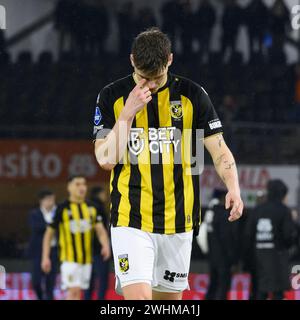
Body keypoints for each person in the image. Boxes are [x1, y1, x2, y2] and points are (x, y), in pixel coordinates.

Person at [93, 27, 243, 300]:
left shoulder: (192, 95)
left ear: (170, 60)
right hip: (131, 219)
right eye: (143, 77)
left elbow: (219, 150)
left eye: (157, 77)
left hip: (179, 221)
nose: (149, 84)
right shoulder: (112, 96)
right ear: (131, 61)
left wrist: (233, 187)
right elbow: (105, 160)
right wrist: (127, 115)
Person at [41, 175, 111, 300]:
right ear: (69, 187)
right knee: (73, 291)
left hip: (87, 260)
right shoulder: (62, 208)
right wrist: (45, 257)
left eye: (83, 184)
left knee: (78, 293)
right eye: (77, 184)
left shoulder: (92, 207)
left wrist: (105, 245)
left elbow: (100, 230)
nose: (82, 187)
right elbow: (48, 234)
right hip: (69, 259)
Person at [244, 179, 297, 300]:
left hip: (257, 259)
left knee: (259, 292)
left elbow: (248, 235)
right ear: (282, 194)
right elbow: (288, 236)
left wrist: (249, 256)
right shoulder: (284, 210)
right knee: (278, 294)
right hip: (277, 259)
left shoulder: (257, 210)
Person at [204, 189, 239, 300]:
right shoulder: (223, 214)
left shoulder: (211, 213)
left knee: (214, 285)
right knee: (222, 287)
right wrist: (233, 259)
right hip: (223, 257)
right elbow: (226, 238)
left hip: (212, 255)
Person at [28, 190, 58, 300]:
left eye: (52, 199)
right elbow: (36, 227)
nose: (51, 202)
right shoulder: (34, 214)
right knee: (36, 280)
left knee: (50, 281)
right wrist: (51, 226)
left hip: (54, 250)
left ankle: (49, 297)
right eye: (48, 199)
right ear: (41, 201)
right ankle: (40, 297)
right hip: (38, 251)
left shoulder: (58, 213)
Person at [84, 186, 110, 300]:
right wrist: (106, 245)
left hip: (87, 249)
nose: (105, 196)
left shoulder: (86, 207)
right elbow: (102, 230)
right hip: (99, 249)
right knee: (103, 278)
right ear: (98, 194)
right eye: (103, 193)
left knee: (88, 279)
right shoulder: (98, 208)